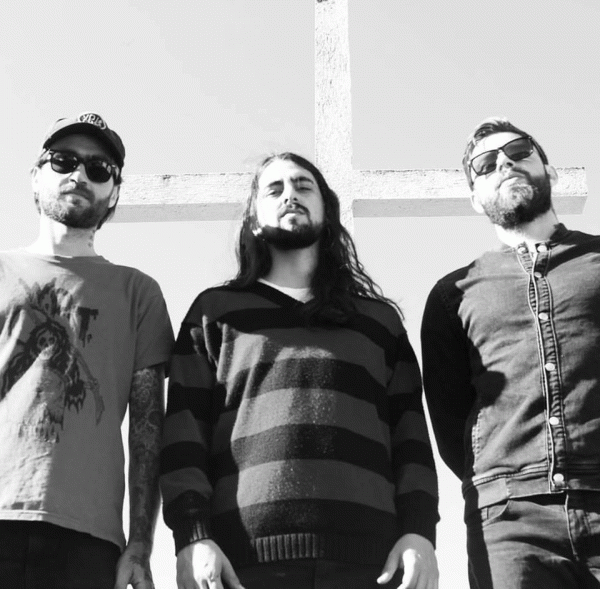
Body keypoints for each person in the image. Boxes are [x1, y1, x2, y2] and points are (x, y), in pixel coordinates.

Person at [160, 152, 439, 589]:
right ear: (253, 218)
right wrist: (192, 537)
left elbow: (412, 440)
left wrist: (420, 532)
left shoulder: (378, 322)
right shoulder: (214, 313)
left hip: (372, 564)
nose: (290, 195)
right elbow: (183, 437)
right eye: (274, 189)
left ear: (327, 209)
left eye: (303, 186)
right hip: (242, 564)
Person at [421, 117, 600, 588]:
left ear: (549, 171)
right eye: (485, 164)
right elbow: (451, 420)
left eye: (519, 152)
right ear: (475, 197)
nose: (504, 163)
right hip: (509, 524)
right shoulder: (453, 295)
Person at [0, 112, 174, 589]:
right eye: (63, 161)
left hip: (88, 541)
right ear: (36, 176)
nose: (79, 174)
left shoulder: (138, 293)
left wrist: (141, 544)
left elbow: (148, 428)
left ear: (113, 193)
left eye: (99, 169)